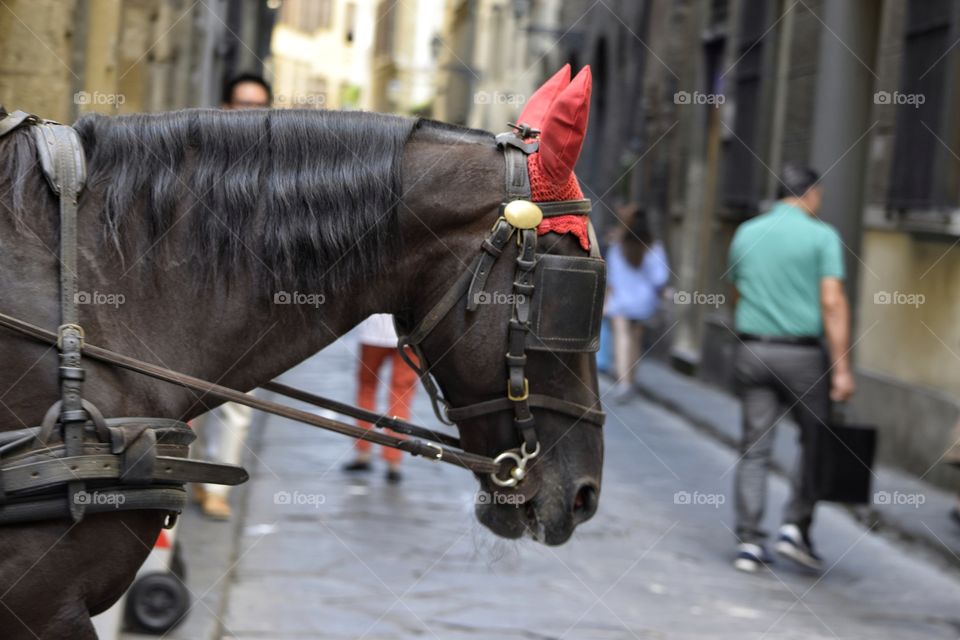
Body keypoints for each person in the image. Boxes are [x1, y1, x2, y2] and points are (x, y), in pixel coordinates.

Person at [727, 163, 855, 573]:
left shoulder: (747, 232)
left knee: (754, 448)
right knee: (815, 442)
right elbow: (832, 303)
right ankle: (794, 528)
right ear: (812, 194)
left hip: (753, 349)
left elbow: (737, 288)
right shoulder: (822, 236)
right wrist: (842, 368)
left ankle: (749, 541)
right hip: (802, 356)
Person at [188, 73, 273, 519]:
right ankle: (177, 476)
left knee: (238, 401)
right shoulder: (200, 158)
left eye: (258, 107)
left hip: (247, 299)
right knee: (183, 398)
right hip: (194, 294)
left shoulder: (276, 171)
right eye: (242, 105)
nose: (249, 115)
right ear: (225, 108)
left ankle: (216, 486)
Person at [342, 314, 419, 483]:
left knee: (366, 388)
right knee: (402, 393)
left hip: (374, 330)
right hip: (409, 331)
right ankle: (393, 460)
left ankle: (363, 452)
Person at [604, 206, 670, 401]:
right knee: (635, 341)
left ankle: (623, 382)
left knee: (622, 339)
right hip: (643, 302)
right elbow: (660, 278)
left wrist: (607, 300)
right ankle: (630, 379)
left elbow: (611, 278)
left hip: (621, 301)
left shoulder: (618, 247)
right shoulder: (654, 247)